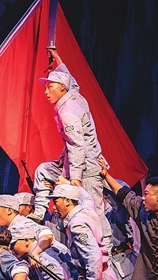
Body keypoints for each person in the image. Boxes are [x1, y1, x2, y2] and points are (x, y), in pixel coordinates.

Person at [32, 49, 112, 248]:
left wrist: (74, 178)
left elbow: (77, 145)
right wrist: (57, 59)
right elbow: (72, 81)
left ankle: (106, 252)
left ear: (61, 87)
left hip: (86, 168)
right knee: (43, 170)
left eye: (50, 87)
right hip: (72, 162)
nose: (46, 91)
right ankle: (39, 211)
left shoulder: (68, 111)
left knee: (93, 212)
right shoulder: (73, 94)